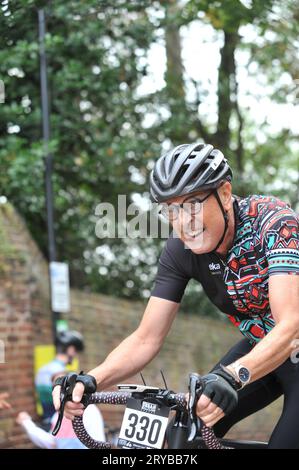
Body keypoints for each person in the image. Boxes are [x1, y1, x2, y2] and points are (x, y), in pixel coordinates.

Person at [53, 143, 299, 449]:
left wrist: (232, 376)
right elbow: (146, 338)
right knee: (183, 441)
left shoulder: (274, 222)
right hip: (260, 349)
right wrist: (90, 380)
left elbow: (290, 327)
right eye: (171, 209)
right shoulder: (179, 251)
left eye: (193, 204)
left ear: (224, 193)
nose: (183, 222)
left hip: (290, 343)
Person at [17, 372, 105, 449]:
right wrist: (27, 423)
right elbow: (52, 442)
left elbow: (97, 442)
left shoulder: (89, 410)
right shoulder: (58, 416)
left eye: (64, 385)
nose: (59, 390)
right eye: (55, 386)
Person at [36, 330, 84, 430]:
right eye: (76, 351)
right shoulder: (64, 373)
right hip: (62, 427)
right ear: (71, 349)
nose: (75, 355)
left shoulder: (42, 370)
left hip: (47, 423)